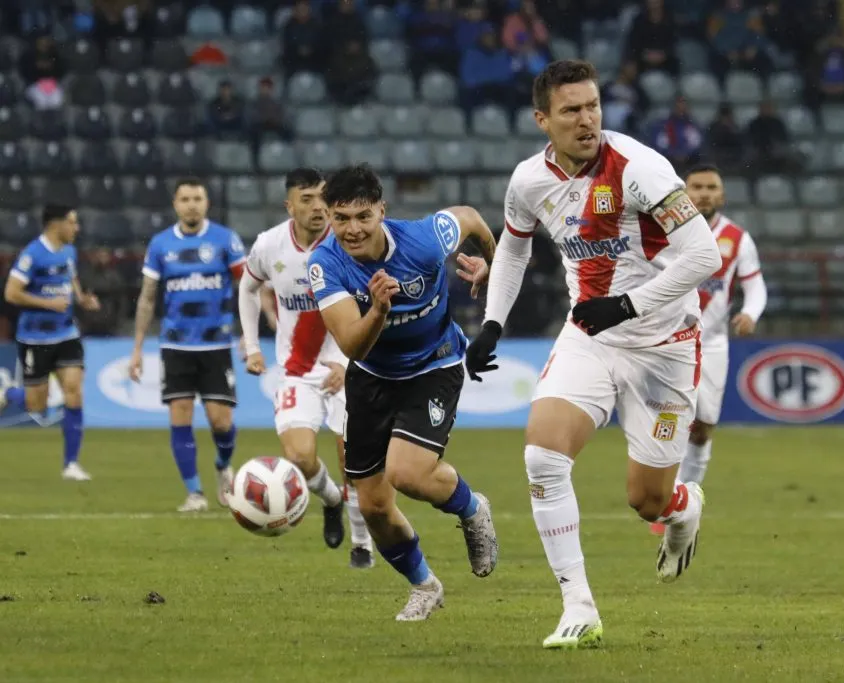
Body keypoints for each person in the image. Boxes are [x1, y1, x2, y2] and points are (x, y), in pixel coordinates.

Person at [465, 59, 722, 649]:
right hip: (590, 337)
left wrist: (628, 305)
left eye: (593, 106)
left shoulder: (640, 166)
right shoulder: (529, 180)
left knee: (646, 499)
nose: (587, 120)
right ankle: (577, 606)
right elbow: (511, 251)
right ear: (542, 120)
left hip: (666, 347)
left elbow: (702, 256)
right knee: (542, 458)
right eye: (571, 110)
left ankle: (684, 505)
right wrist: (493, 324)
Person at [307, 164, 499, 621]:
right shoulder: (324, 263)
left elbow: (470, 217)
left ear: (381, 211)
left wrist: (492, 267)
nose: (352, 230)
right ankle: (424, 585)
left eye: (363, 217)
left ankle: (472, 508)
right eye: (341, 218)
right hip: (371, 376)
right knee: (372, 505)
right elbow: (352, 345)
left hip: (435, 364)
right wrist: (378, 308)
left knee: (408, 473)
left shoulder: (424, 239)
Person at [238, 168, 373, 568]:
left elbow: (372, 304)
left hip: (350, 367)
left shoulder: (350, 243)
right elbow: (247, 288)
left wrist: (347, 361)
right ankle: (331, 500)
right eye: (307, 199)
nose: (317, 207)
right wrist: (250, 346)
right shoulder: (270, 245)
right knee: (298, 457)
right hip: (297, 368)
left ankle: (362, 543)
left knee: (354, 460)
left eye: (322, 198)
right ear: (289, 204)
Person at [649, 164, 766, 534]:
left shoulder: (737, 238)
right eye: (696, 186)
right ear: (683, 191)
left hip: (712, 343)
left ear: (722, 194)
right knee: (669, 421)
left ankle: (689, 496)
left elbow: (756, 285)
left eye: (711, 186)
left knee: (702, 428)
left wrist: (750, 312)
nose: (703, 193)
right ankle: (667, 500)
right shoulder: (662, 230)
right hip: (666, 339)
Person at [129, 178, 247, 512]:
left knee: (220, 421)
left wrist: (247, 335)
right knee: (179, 415)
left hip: (216, 345)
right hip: (176, 346)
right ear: (175, 205)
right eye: (185, 198)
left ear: (206, 203)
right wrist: (137, 347)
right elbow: (148, 298)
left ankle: (224, 464)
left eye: (197, 198)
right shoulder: (160, 244)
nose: (192, 204)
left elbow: (249, 289)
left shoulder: (226, 240)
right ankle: (195, 493)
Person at [0, 205, 100, 480]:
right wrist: (48, 303)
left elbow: (71, 278)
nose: (77, 228)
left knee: (74, 391)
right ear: (56, 224)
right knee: (37, 406)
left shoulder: (69, 251)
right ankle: (9, 394)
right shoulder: (32, 255)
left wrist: (81, 299)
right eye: (72, 223)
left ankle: (71, 464)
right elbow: (11, 292)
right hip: (35, 337)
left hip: (66, 333)